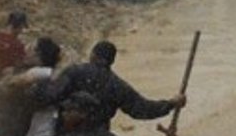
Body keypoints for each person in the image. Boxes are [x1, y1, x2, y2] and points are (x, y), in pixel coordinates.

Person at [31, 40, 185, 130]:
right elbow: (142, 109)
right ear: (112, 61)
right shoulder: (117, 85)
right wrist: (172, 103)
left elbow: (50, 96)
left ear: (93, 55)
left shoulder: (75, 71)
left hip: (69, 134)